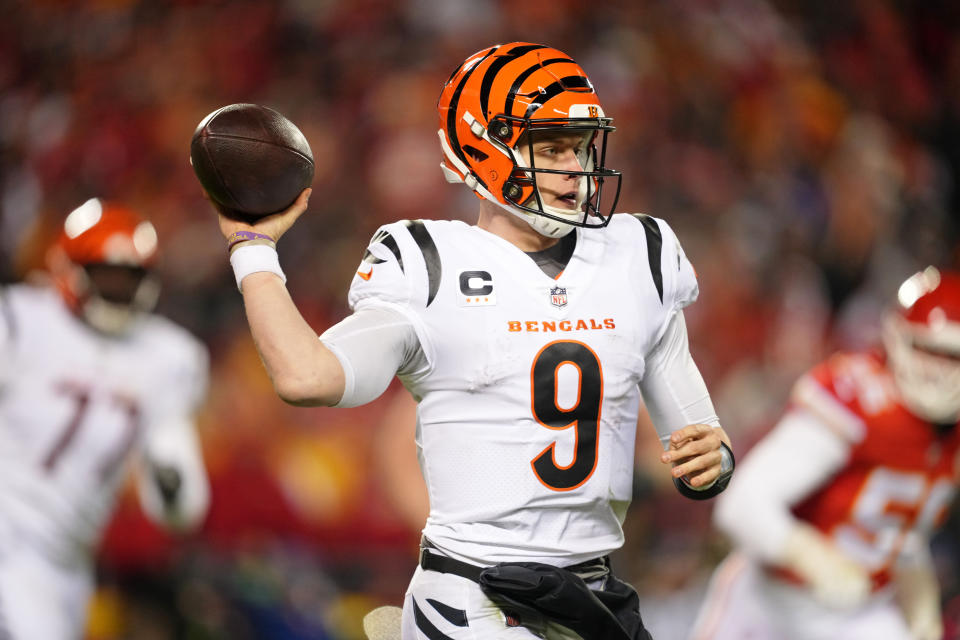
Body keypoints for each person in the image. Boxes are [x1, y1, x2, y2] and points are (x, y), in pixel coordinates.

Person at [213, 42, 733, 640]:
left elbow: (697, 439)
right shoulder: (427, 262)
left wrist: (712, 459)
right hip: (475, 600)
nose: (575, 168)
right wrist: (253, 250)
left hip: (593, 596)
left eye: (582, 146)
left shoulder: (641, 252)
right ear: (483, 149)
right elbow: (309, 378)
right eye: (550, 147)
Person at [689, 266, 960, 640]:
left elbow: (902, 534)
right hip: (769, 600)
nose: (941, 371)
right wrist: (810, 556)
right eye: (929, 349)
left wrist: (918, 593)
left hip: (859, 615)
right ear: (897, 338)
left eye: (953, 356)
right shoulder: (862, 399)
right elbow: (741, 504)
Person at [0, 198, 211, 639]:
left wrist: (171, 483)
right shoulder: (20, 319)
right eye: (106, 274)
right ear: (70, 270)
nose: (118, 288)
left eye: (129, 277)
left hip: (66, 555)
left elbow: (181, 504)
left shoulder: (169, 358)